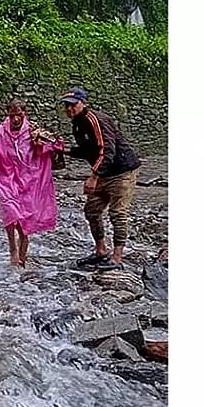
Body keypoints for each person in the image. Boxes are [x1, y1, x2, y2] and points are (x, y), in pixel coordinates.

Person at [0, 98, 64, 267]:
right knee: (10, 212)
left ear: (24, 114)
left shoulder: (33, 130)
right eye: (12, 115)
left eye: (19, 115)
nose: (15, 119)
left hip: (30, 179)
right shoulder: (0, 132)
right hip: (7, 177)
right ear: (8, 114)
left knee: (24, 218)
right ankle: (13, 250)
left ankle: (22, 254)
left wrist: (39, 145)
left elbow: (56, 144)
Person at [59, 87, 142, 270]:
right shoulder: (78, 124)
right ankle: (100, 250)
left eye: (73, 105)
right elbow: (88, 150)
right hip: (104, 171)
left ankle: (117, 256)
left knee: (118, 213)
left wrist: (94, 176)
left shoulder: (96, 119)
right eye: (66, 106)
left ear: (83, 103)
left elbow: (107, 150)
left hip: (122, 171)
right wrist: (62, 149)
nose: (69, 109)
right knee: (92, 210)